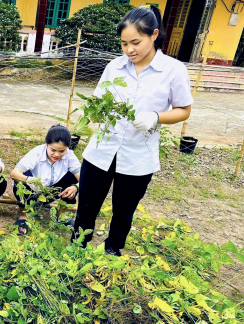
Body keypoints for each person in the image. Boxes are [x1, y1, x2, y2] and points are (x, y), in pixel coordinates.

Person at [72, 5, 193, 256]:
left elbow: (183, 109)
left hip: (139, 155)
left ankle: (112, 252)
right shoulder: (115, 67)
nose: (129, 50)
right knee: (86, 206)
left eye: (135, 42)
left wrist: (156, 117)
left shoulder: (173, 70)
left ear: (154, 35)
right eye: (124, 44)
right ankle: (76, 249)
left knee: (124, 211)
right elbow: (97, 101)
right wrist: (97, 111)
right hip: (102, 150)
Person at [10, 125, 81, 235]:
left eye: (62, 151)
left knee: (72, 178)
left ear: (67, 147)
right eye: (53, 150)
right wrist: (30, 180)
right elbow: (14, 173)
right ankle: (23, 216)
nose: (57, 154)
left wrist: (76, 187)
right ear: (46, 144)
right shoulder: (37, 153)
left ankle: (61, 216)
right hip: (32, 192)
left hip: (53, 192)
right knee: (20, 182)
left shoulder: (69, 156)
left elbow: (84, 179)